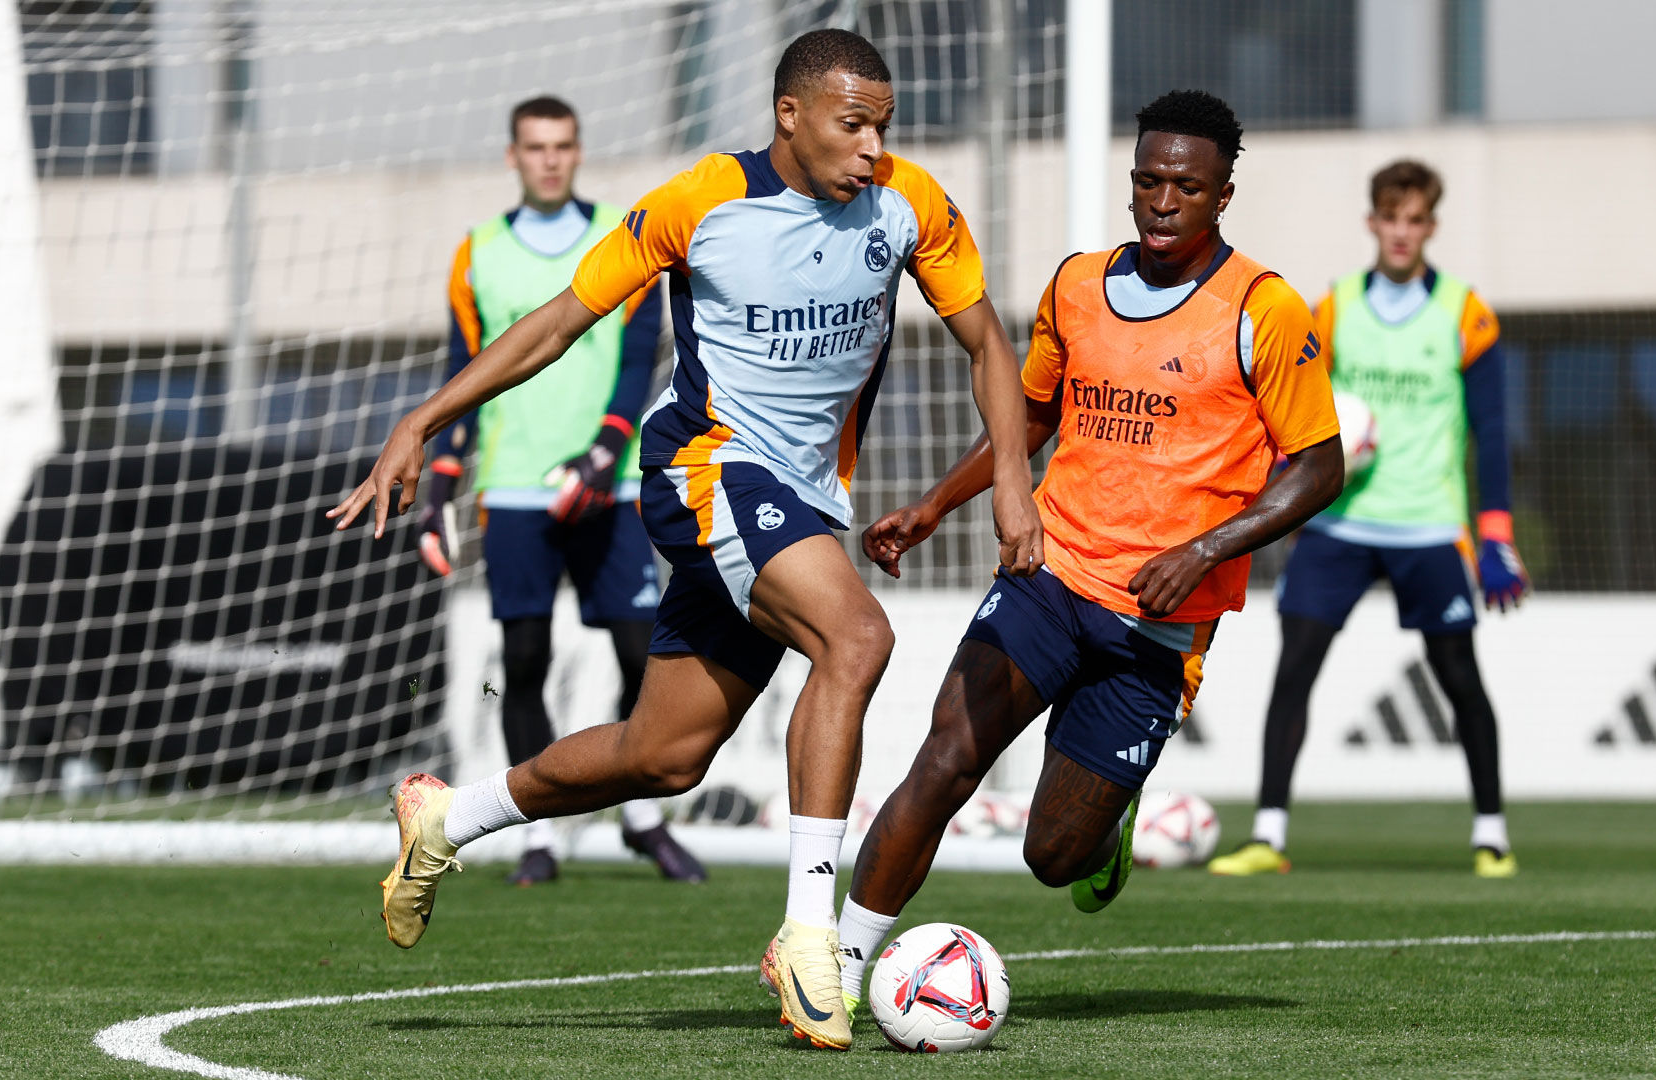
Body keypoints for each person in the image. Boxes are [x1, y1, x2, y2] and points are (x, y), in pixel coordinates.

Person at [328, 29, 1040, 1051]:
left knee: (663, 758)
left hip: (801, 497)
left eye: (885, 125)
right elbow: (557, 321)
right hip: (707, 469)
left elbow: (987, 343)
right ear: (790, 114)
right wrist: (423, 420)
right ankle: (810, 939)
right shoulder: (698, 201)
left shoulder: (912, 206)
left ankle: (449, 819)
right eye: (853, 124)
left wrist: (1011, 485)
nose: (874, 147)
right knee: (858, 638)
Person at [804, 90, 1343, 1024]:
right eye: (1146, 180)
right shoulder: (1078, 285)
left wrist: (1205, 549)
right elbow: (1035, 417)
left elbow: (1319, 465)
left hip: (1160, 627)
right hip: (1048, 576)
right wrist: (935, 502)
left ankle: (1110, 822)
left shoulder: (1266, 308)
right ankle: (835, 972)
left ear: (1222, 195)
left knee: (1054, 856)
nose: (1162, 200)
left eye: (1185, 185)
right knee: (946, 759)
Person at [1208, 159, 1531, 881]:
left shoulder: (1464, 314)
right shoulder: (1335, 308)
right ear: (1373, 222)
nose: (1402, 232)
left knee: (1460, 679)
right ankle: (1268, 834)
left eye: (1416, 220)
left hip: (1428, 526)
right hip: (1339, 524)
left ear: (1430, 228)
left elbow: (1493, 429)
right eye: (1392, 217)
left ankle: (1491, 833)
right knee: (1294, 671)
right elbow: (1292, 407)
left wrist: (1497, 535)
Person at [419, 95, 704, 887]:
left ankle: (641, 819)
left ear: (579, 152)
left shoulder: (625, 234)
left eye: (563, 145)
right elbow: (464, 371)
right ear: (513, 156)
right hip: (513, 488)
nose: (550, 158)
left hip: (609, 487)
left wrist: (605, 448)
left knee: (643, 653)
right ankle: (534, 836)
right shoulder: (477, 253)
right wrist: (443, 477)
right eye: (535, 147)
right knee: (525, 658)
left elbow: (640, 352)